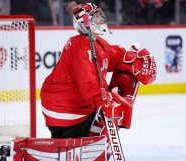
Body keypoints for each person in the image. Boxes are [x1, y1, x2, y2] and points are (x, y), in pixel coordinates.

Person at [40, 3, 157, 139]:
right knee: (109, 110)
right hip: (64, 110)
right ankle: (92, 143)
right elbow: (87, 83)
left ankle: (97, 142)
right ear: (85, 23)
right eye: (96, 17)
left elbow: (115, 56)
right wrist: (104, 104)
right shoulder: (80, 46)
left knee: (127, 73)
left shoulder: (97, 43)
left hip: (76, 106)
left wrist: (132, 58)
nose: (101, 20)